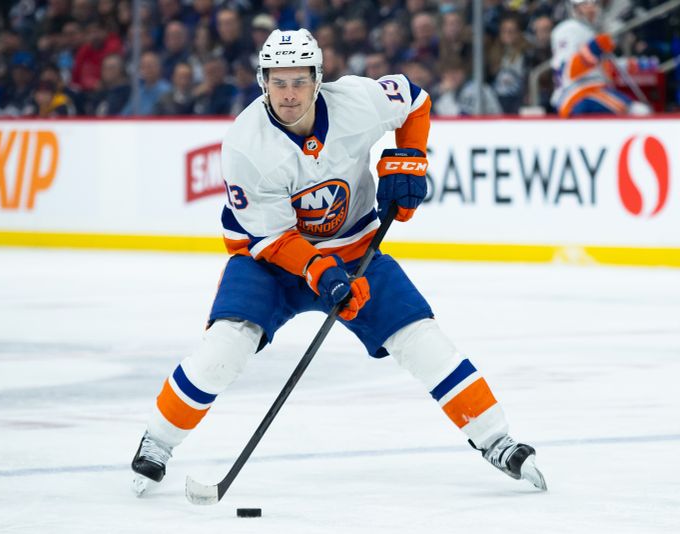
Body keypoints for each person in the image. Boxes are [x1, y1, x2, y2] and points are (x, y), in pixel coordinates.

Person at [131, 28, 547, 497]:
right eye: (278, 82)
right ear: (262, 82)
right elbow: (271, 238)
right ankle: (158, 441)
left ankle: (496, 438)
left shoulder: (356, 101)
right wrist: (322, 273)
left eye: (299, 81)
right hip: (268, 259)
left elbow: (414, 99)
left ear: (318, 79)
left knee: (421, 338)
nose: (289, 94)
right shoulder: (246, 146)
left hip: (354, 250)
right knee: (226, 347)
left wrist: (408, 158)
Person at [550, 0, 649, 117]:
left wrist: (632, 64)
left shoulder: (589, 30)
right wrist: (595, 47)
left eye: (594, 4)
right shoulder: (568, 29)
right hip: (578, 94)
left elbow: (600, 67)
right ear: (574, 8)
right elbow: (570, 71)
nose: (591, 9)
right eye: (585, 5)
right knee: (639, 111)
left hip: (592, 91)